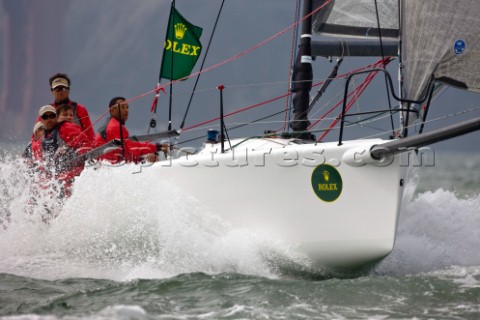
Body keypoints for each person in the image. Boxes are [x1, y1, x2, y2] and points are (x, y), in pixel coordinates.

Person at [31, 105, 93, 197]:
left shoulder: (66, 128)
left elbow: (86, 146)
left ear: (56, 117)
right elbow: (41, 166)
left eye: (52, 116)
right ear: (41, 120)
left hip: (72, 178)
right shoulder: (39, 141)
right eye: (45, 117)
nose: (49, 119)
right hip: (52, 183)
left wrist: (72, 153)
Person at [95, 97, 162, 164]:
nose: (126, 110)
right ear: (112, 110)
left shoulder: (111, 124)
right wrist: (148, 154)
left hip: (105, 165)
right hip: (109, 168)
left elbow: (128, 147)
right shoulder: (115, 127)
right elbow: (128, 152)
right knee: (153, 160)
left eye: (127, 107)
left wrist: (152, 149)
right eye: (123, 107)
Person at [48, 73, 95, 142]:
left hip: (80, 150)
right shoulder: (47, 111)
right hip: (53, 150)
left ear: (68, 90)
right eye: (57, 89)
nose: (61, 91)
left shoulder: (80, 109)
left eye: (63, 88)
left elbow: (90, 134)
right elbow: (36, 136)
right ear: (52, 91)